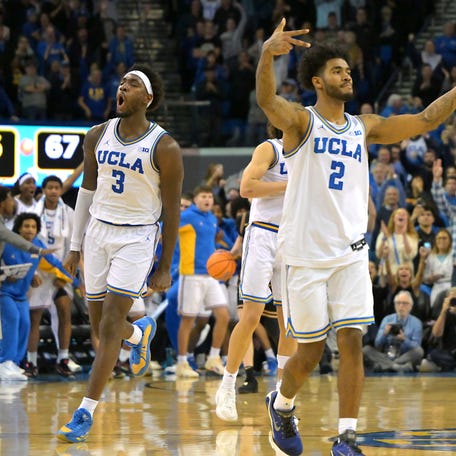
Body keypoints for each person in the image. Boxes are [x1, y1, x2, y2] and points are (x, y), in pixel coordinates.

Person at [256, 19, 456, 456]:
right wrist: (267, 55)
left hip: (350, 254)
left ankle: (346, 438)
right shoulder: (300, 122)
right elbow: (267, 100)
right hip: (305, 257)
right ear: (316, 80)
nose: (347, 75)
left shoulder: (364, 126)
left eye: (348, 70)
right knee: (307, 357)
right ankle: (282, 403)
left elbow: (423, 119)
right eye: (337, 70)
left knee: (352, 343)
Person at [57, 63, 183, 443]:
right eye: (121, 83)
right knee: (101, 329)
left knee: (109, 324)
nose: (122, 87)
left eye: (132, 84)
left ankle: (85, 412)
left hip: (137, 237)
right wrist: (74, 248)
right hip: (97, 232)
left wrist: (164, 266)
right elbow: (87, 193)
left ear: (148, 98)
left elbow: (172, 210)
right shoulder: (97, 135)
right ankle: (138, 332)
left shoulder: (165, 146)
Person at [215, 123, 296, 422]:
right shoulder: (270, 148)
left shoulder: (308, 156)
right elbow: (247, 188)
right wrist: (289, 185)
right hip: (262, 235)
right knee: (250, 314)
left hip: (293, 239)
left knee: (290, 323)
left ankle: (282, 398)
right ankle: (227, 385)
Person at [0, 213, 76, 381]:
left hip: (21, 295)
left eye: (33, 227)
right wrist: (5, 275)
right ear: (18, 228)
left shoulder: (37, 245)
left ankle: (16, 364)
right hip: (5, 293)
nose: (30, 230)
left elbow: (56, 264)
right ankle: (4, 362)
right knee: (11, 322)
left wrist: (77, 282)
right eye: (26, 226)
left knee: (25, 325)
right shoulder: (7, 243)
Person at [176, 185, 230, 378]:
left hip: (211, 275)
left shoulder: (213, 219)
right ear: (196, 199)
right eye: (203, 196)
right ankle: (181, 362)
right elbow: (166, 229)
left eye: (210, 196)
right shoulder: (187, 216)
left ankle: (213, 358)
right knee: (188, 320)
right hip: (190, 275)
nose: (207, 199)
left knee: (223, 315)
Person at [362, 290, 424, 372]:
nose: (401, 306)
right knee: (366, 350)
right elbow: (377, 344)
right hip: (386, 354)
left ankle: (384, 366)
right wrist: (384, 334)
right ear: (394, 305)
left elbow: (417, 346)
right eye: (398, 303)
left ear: (410, 306)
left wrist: (404, 339)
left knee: (419, 351)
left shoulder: (416, 323)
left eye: (405, 303)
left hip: (404, 356)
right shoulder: (387, 319)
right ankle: (397, 367)